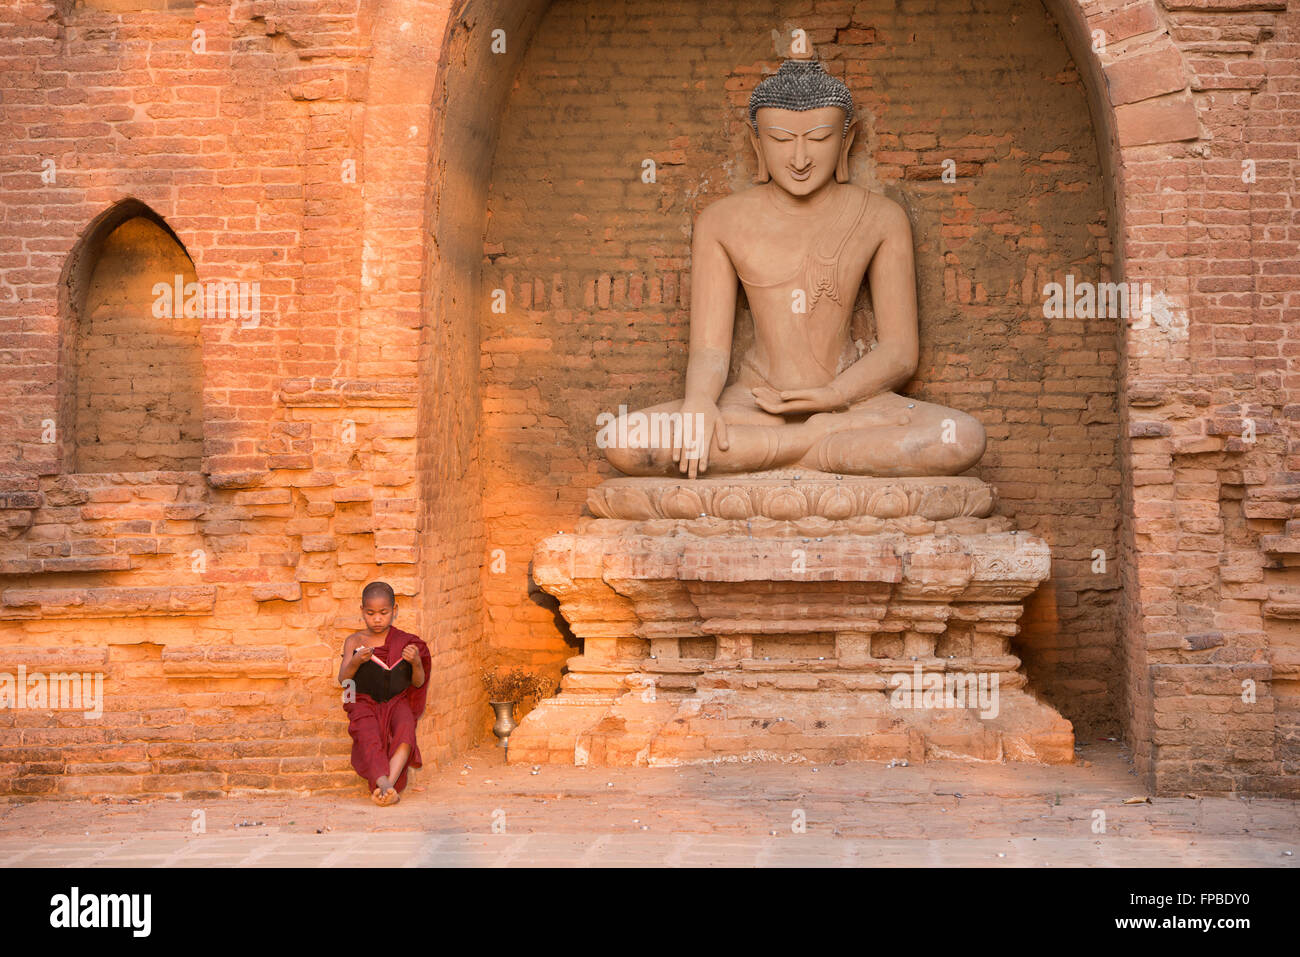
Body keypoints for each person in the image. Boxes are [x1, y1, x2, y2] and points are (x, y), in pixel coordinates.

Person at [338, 580, 430, 806]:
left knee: (406, 725)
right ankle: (386, 786)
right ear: (362, 611)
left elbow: (418, 683)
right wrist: (356, 662)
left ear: (394, 611)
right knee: (366, 733)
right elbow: (344, 679)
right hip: (362, 700)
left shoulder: (406, 642)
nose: (377, 619)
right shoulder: (354, 641)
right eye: (370, 613)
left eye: (383, 612)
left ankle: (387, 784)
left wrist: (416, 662)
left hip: (396, 698)